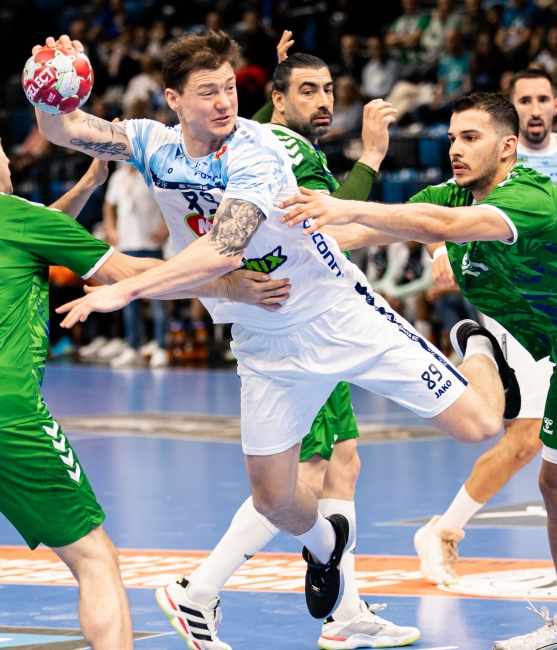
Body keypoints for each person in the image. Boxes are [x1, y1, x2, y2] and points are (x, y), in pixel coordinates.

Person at [38, 30, 515, 628]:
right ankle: (327, 545)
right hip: (262, 338)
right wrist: (47, 85)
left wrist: (130, 287)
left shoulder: (257, 151)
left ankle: (479, 344)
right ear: (173, 99)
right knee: (274, 497)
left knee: (480, 426)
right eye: (207, 92)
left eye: (229, 87)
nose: (224, 102)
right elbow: (63, 129)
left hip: (336, 314)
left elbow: (223, 247)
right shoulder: (151, 143)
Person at [0, 109, 285, 650]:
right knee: (95, 558)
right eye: (0, 146)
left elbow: (26, 230)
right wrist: (229, 284)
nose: (7, 156)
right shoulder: (15, 217)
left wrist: (88, 185)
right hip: (2, 413)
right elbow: (121, 272)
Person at [280, 91, 557, 650]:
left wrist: (348, 207)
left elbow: (445, 224)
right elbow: (364, 233)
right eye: (452, 138)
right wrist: (270, 250)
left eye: (470, 138)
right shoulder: (449, 195)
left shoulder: (529, 196)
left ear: (507, 148)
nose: (455, 148)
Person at [163, 45, 417, 650]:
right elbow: (332, 228)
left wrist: (274, 84)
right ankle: (198, 590)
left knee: (342, 461)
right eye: (307, 90)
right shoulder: (290, 149)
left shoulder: (261, 139)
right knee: (301, 475)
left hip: (307, 321)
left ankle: (345, 613)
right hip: (302, 330)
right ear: (276, 100)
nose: (324, 101)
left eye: (328, 89)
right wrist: (372, 157)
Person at [102, 158, 168, 367]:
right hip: (126, 246)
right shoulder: (117, 177)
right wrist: (110, 229)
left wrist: (166, 228)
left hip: (150, 244)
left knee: (158, 299)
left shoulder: (151, 174)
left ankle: (161, 346)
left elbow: (170, 200)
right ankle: (133, 347)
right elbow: (108, 205)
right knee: (128, 301)